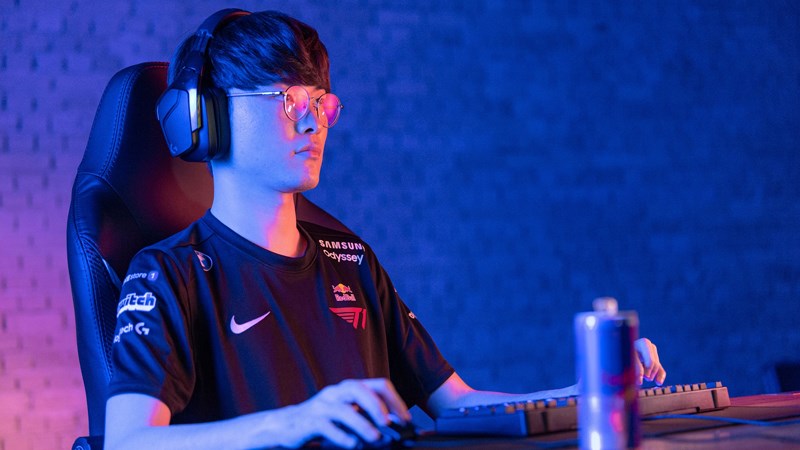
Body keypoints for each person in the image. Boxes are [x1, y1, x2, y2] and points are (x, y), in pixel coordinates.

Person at [104, 9, 666, 450]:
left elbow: (458, 404)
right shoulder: (167, 276)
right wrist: (293, 423)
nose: (313, 122)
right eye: (289, 100)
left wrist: (589, 394)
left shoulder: (351, 261)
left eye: (322, 103)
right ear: (205, 118)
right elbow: (128, 442)